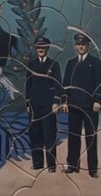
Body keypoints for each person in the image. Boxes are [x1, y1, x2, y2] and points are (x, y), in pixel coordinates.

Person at [61, 33, 101, 178]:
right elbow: (65, 84)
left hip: (90, 107)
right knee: (73, 137)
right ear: (75, 46)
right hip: (74, 105)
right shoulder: (71, 63)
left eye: (83, 44)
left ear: (88, 46)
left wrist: (98, 100)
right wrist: (65, 101)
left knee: (90, 138)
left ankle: (93, 169)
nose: (81, 47)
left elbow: (100, 82)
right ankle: (72, 165)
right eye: (78, 44)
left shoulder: (95, 62)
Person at [25, 35, 62, 172]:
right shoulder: (31, 65)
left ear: (47, 48)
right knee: (35, 134)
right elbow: (28, 84)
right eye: (38, 47)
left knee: (49, 134)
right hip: (35, 105)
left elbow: (58, 84)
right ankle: (38, 164)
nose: (40, 50)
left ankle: (51, 166)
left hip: (48, 105)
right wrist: (28, 104)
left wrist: (56, 102)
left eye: (43, 47)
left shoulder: (54, 64)